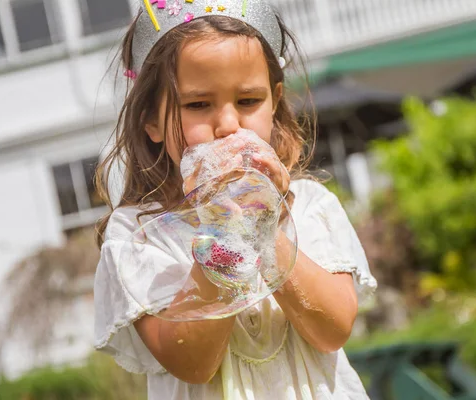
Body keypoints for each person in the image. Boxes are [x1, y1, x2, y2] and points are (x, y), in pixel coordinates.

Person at [93, 0, 377, 398]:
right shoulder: (138, 235)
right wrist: (226, 232)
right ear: (152, 121)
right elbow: (193, 364)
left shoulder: (309, 205)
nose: (228, 125)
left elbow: (332, 330)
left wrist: (265, 223)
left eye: (248, 101)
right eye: (197, 105)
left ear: (275, 101)